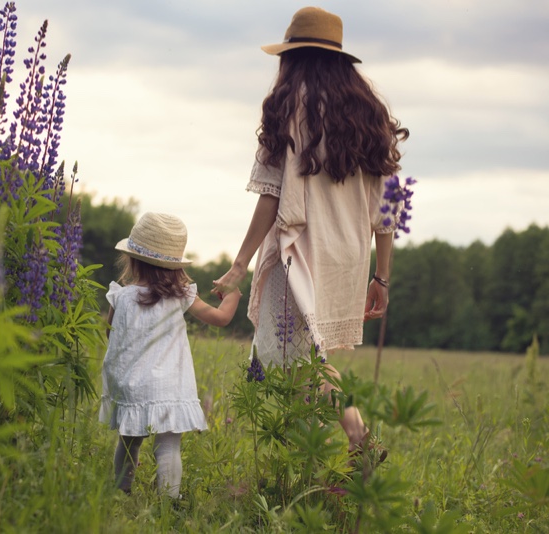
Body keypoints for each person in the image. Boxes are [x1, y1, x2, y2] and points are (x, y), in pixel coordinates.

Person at [213, 6, 409, 461]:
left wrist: (240, 264)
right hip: (349, 256)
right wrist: (381, 278)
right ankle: (323, 458)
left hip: (300, 251)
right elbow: (387, 210)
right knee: (305, 362)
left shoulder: (288, 108)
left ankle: (355, 443)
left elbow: (269, 195)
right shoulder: (369, 114)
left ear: (293, 58)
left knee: (289, 361)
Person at [99, 212, 242, 498]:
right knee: (168, 446)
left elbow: (109, 332)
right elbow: (221, 318)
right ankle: (169, 500)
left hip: (132, 384)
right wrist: (233, 293)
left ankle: (121, 491)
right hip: (169, 385)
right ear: (174, 266)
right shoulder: (180, 295)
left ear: (132, 259)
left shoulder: (121, 296)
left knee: (129, 441)